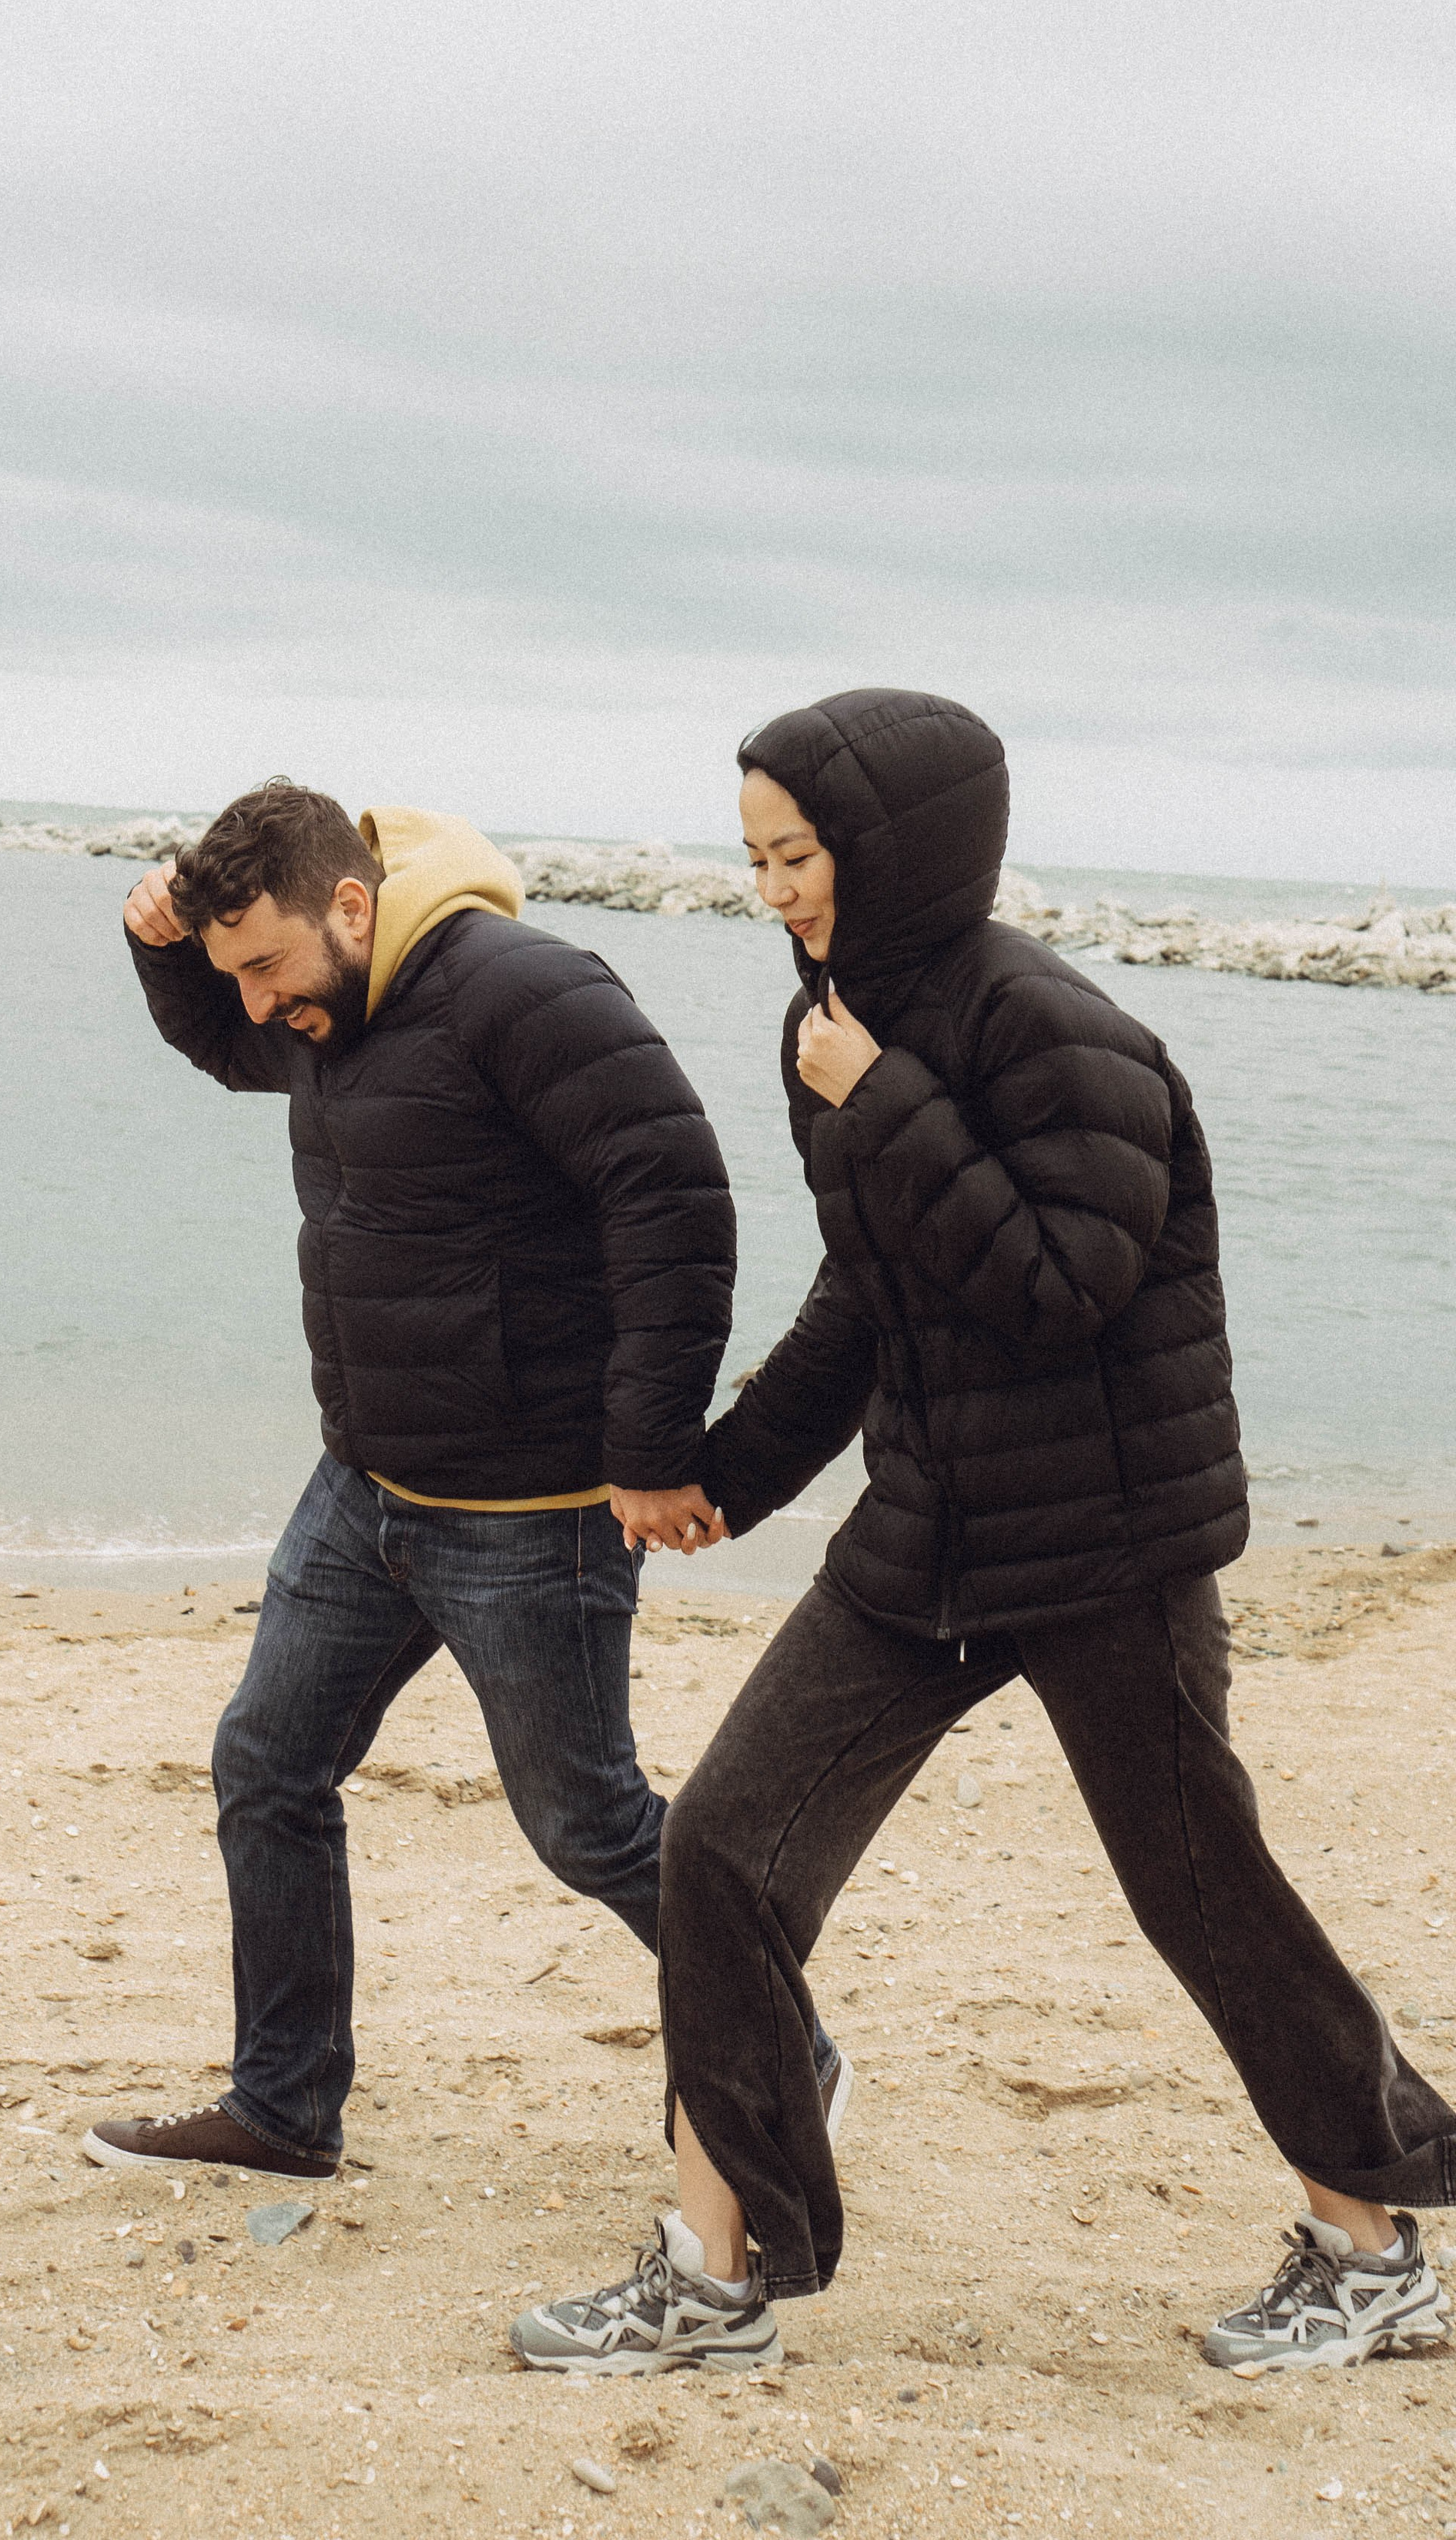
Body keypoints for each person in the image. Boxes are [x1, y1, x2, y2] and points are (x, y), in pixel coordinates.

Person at [514, 685, 1454, 2376]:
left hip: (1103, 1546)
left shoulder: (1052, 1032)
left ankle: (1371, 2251)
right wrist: (725, 1474)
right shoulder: (834, 1021)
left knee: (1198, 1894)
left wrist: (880, 1101)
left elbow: (1055, 1288)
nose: (773, 890)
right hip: (928, 1538)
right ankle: (717, 2278)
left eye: (793, 853)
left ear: (891, 844)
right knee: (717, 1853)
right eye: (751, 859)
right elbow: (869, 1301)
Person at [83, 777, 844, 2183]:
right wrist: (164, 958)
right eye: (230, 968)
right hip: (367, 1489)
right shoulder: (323, 1009)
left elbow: (671, 1193)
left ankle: (792, 2058)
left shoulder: (521, 990)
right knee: (268, 1764)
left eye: (264, 965)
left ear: (352, 907)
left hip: (528, 1514)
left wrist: (650, 1452)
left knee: (590, 1824)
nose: (252, 1001)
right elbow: (239, 1049)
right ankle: (284, 2106)